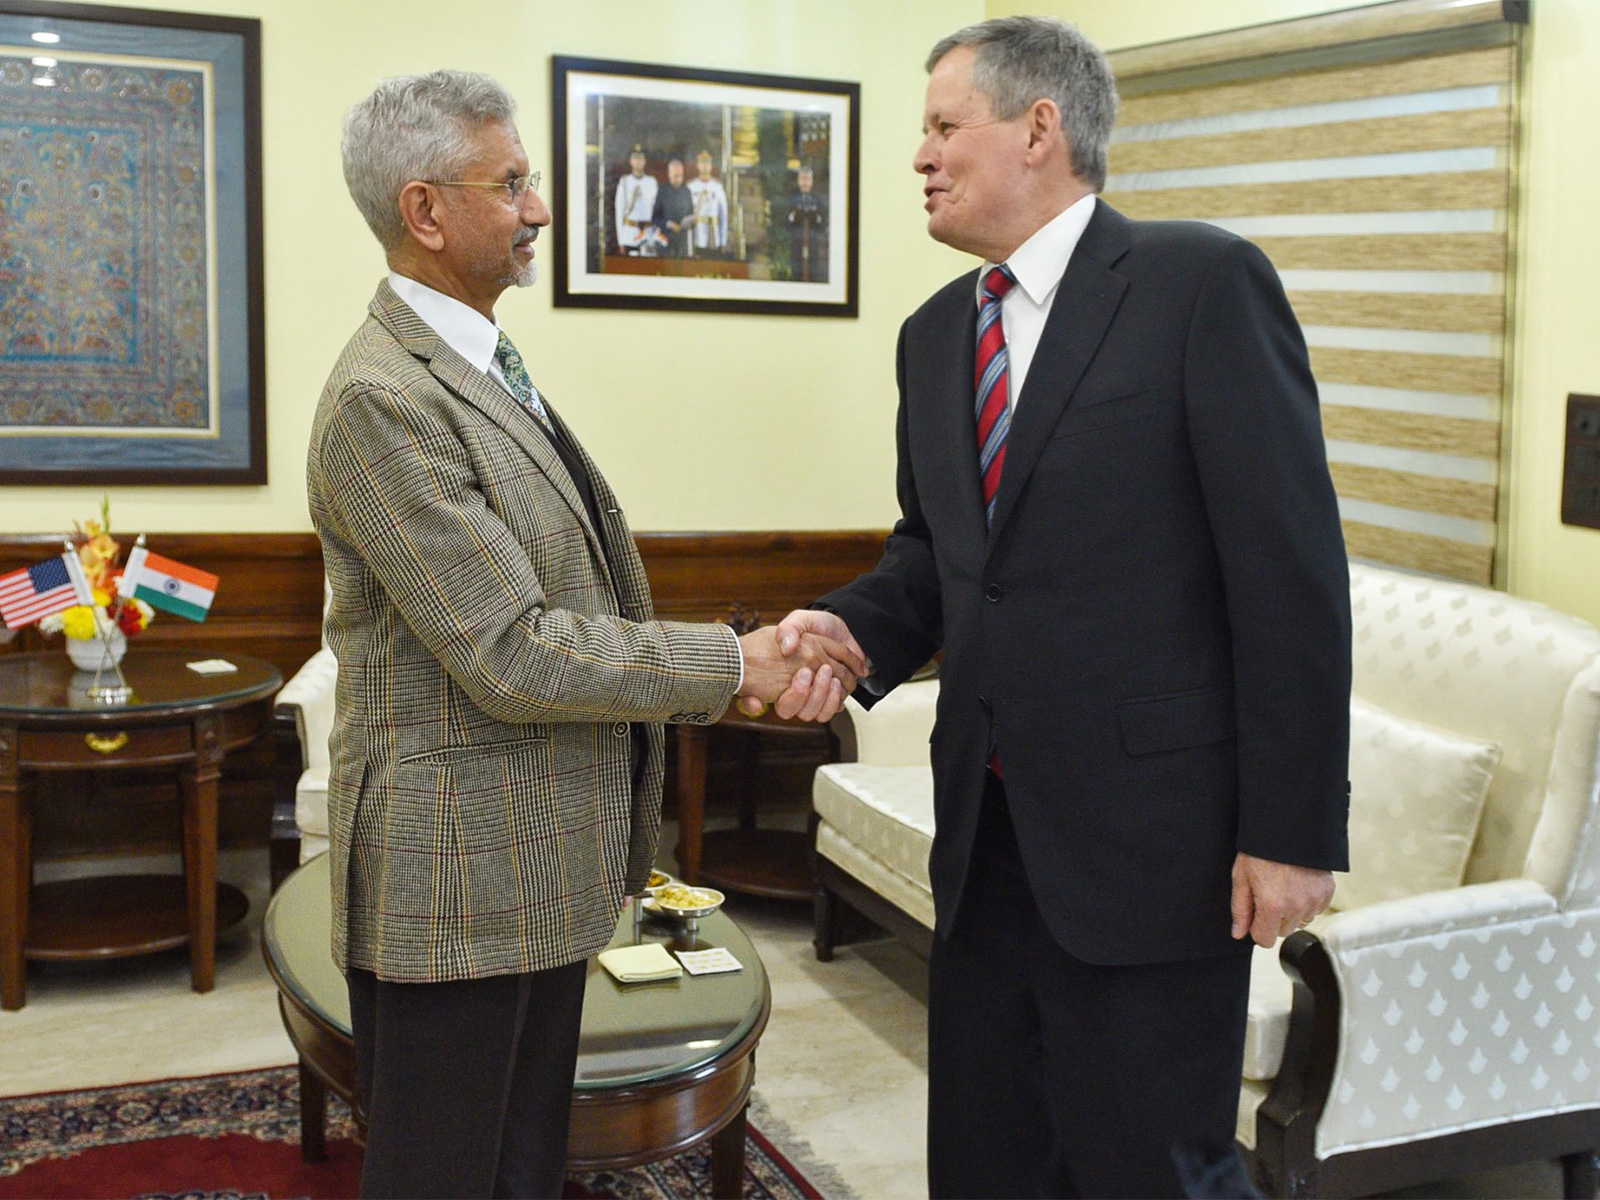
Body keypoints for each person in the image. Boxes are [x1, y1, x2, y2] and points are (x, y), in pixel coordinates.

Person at [772, 17, 1351, 1199]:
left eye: (944, 127)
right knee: (988, 1158)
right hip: (984, 839)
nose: (919, 155)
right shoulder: (935, 336)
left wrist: (1292, 830)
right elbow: (937, 556)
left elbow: (1289, 575)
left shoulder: (1200, 285)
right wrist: (849, 632)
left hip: (1152, 847)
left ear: (1038, 128)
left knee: (1151, 1168)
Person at [311, 70, 858, 1200]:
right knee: (444, 1177)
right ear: (425, 211)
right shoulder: (384, 397)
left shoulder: (472, 363)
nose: (540, 209)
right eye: (511, 183)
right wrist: (733, 660)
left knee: (521, 1170)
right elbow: (511, 651)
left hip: (533, 869)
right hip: (458, 882)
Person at [613, 144, 658, 255]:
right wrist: (620, 241)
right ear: (631, 161)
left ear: (645, 161)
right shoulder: (624, 182)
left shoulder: (651, 182)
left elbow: (657, 210)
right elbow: (619, 212)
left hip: (647, 235)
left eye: (641, 158)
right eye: (635, 158)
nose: (638, 161)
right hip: (629, 234)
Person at [786, 165, 827, 282]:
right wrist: (793, 216)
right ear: (798, 181)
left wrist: (816, 217)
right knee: (797, 273)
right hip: (797, 242)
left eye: (807, 179)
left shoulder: (817, 200)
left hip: (812, 241)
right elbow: (786, 222)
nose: (805, 182)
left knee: (812, 272)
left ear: (812, 181)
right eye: (802, 178)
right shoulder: (792, 199)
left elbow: (822, 223)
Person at [687, 148, 728, 255]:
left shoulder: (718, 187)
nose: (704, 166)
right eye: (702, 163)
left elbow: (723, 216)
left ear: (711, 166)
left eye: (707, 163)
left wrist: (723, 241)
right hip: (698, 234)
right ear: (697, 165)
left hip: (714, 234)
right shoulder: (691, 186)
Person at [652, 156, 694, 257]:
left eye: (680, 175)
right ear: (669, 174)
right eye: (675, 176)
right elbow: (655, 217)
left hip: (682, 242)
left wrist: (690, 221)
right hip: (666, 240)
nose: (678, 179)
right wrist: (668, 224)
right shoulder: (662, 191)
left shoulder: (687, 191)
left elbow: (691, 214)